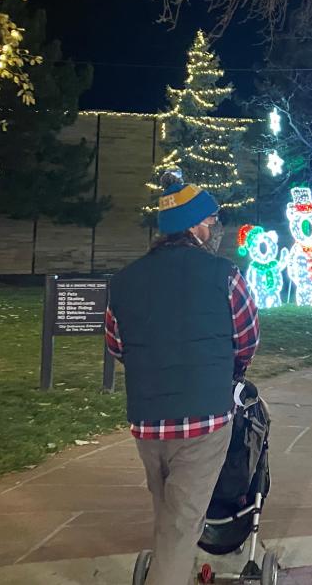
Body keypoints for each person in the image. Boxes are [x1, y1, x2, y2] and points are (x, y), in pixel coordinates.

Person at [105, 174, 259, 585]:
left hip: (147, 421)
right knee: (179, 526)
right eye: (209, 221)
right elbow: (247, 340)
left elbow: (116, 345)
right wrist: (230, 370)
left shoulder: (123, 282)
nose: (213, 229)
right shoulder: (225, 275)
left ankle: (183, 571)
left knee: (169, 513)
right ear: (193, 227)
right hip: (202, 420)